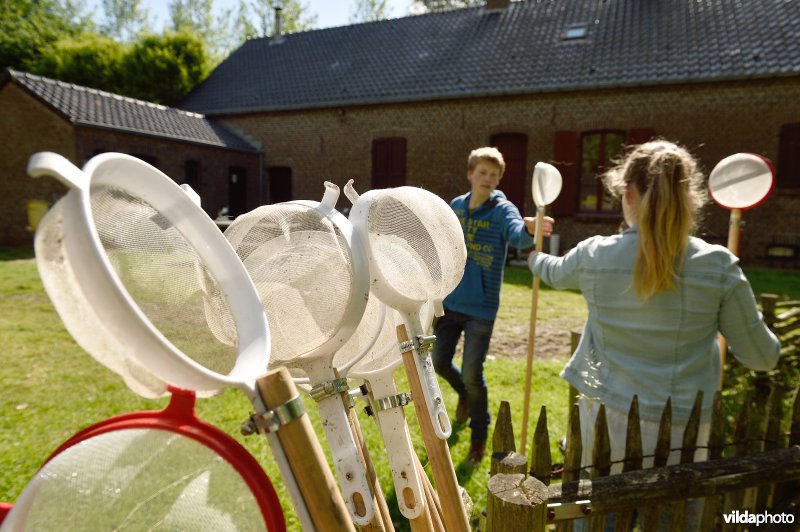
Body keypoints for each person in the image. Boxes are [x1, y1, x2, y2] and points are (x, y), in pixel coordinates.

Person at [528, 140, 781, 529]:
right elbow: (763, 358)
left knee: (599, 520)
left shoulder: (595, 254)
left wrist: (533, 256)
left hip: (606, 421)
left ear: (627, 194)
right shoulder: (718, 266)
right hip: (684, 431)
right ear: (689, 198)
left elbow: (553, 270)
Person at [433, 146, 554, 465]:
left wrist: (530, 229)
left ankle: (478, 438)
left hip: (480, 308)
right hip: (449, 301)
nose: (487, 179)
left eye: (494, 175)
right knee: (439, 362)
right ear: (470, 174)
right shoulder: (456, 207)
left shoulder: (502, 210)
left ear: (499, 179)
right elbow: (439, 241)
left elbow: (517, 236)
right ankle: (463, 397)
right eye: (482, 173)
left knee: (473, 374)